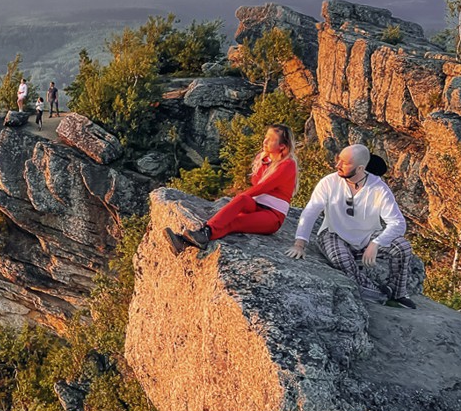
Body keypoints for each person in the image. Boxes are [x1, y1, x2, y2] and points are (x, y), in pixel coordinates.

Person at [285, 144, 416, 308]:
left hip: (366, 238)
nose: (337, 165)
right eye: (338, 160)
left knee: (402, 247)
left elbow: (398, 223)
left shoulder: (378, 188)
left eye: (344, 163)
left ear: (360, 168)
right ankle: (376, 293)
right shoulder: (329, 182)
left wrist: (376, 243)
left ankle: (396, 294)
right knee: (340, 258)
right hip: (333, 234)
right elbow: (311, 211)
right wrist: (300, 243)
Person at [167, 124, 297, 252]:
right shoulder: (264, 159)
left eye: (271, 139)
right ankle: (195, 237)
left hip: (272, 216)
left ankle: (196, 237)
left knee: (234, 222)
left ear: (282, 146)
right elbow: (255, 182)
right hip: (256, 205)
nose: (265, 141)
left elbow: (263, 187)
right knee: (241, 200)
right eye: (266, 137)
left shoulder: (288, 164)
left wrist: (236, 199)